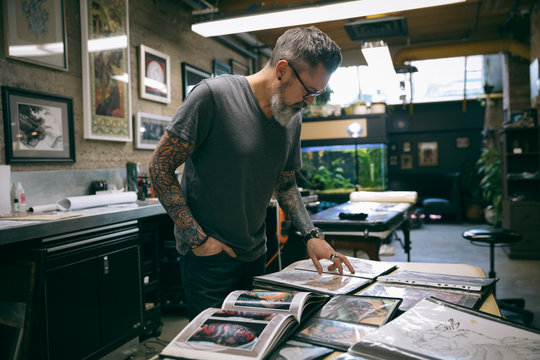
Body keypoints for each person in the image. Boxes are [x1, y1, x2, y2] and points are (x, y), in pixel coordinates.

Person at [148, 26, 354, 320]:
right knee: (214, 348)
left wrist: (311, 234)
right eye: (309, 91)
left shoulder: (291, 118)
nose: (310, 102)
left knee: (255, 339)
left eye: (318, 93)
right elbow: (159, 167)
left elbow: (285, 185)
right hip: (209, 259)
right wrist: (198, 240)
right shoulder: (213, 96)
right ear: (282, 70)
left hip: (256, 254)